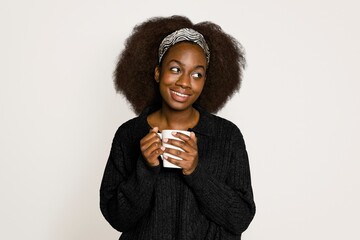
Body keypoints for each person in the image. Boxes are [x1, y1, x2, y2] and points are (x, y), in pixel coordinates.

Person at [100, 15, 256, 240]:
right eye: (175, 69)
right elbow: (117, 218)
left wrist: (196, 171)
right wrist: (145, 168)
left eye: (197, 74)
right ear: (157, 72)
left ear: (205, 81)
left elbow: (240, 218)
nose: (184, 82)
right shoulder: (130, 134)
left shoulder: (227, 136)